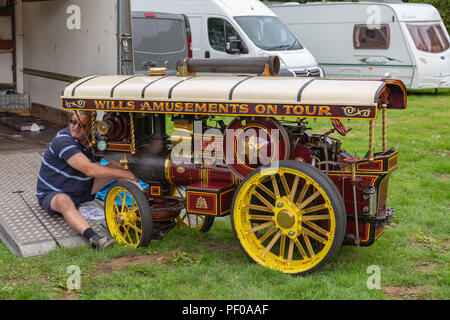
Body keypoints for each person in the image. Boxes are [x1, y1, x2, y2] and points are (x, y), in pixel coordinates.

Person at [36, 110, 138, 249]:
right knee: (63, 201)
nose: (75, 126)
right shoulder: (63, 140)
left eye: (82, 125)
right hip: (53, 192)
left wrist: (130, 171)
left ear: (91, 127)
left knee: (121, 170)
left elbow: (114, 160)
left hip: (82, 190)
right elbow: (88, 169)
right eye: (73, 122)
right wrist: (126, 173)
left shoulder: (94, 139)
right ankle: (94, 237)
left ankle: (141, 212)